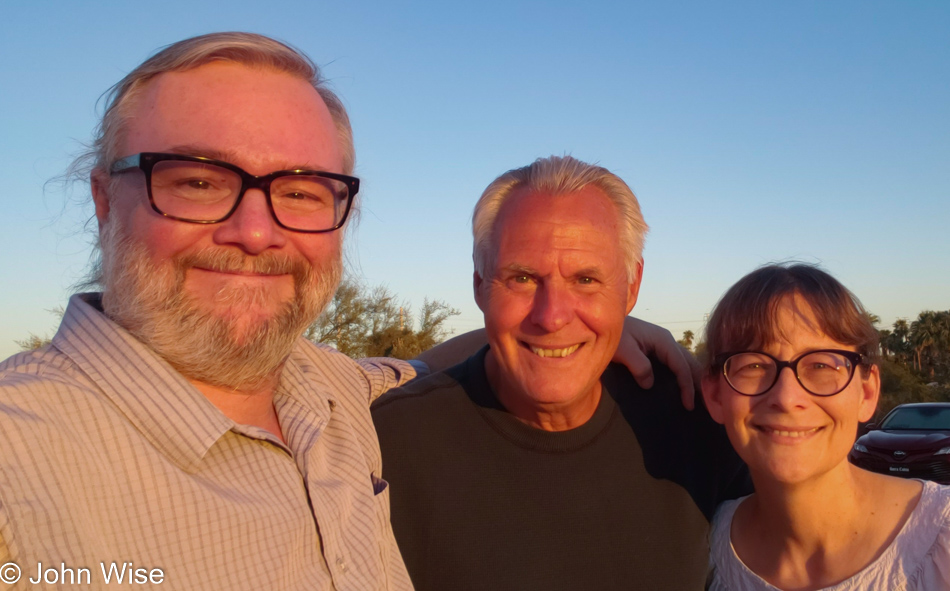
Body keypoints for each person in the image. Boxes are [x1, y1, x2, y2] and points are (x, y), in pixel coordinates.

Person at [0, 33, 693, 590]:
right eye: (198, 181)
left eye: (300, 191)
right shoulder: (22, 460)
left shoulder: (330, 393)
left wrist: (590, 325)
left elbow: (432, 365)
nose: (255, 231)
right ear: (101, 200)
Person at [371, 156, 751, 591]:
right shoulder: (386, 448)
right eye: (523, 278)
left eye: (586, 280)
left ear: (631, 287)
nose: (552, 317)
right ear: (479, 284)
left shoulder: (701, 430)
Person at [701, 264, 950, 590]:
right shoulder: (700, 550)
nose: (787, 398)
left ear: (867, 392)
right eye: (754, 365)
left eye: (821, 364)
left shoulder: (940, 542)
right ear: (714, 394)